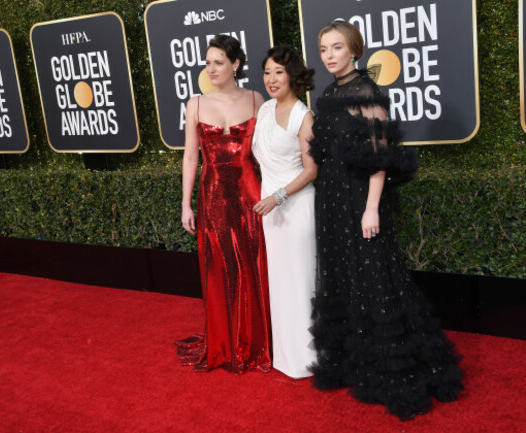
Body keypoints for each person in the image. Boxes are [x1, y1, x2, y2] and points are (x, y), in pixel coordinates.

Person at [308, 21, 463, 419]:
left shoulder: (367, 92)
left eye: (336, 47)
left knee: (376, 279)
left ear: (354, 50)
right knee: (344, 277)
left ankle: (397, 368)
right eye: (324, 48)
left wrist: (372, 207)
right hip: (330, 201)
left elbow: (381, 156)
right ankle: (357, 363)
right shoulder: (327, 94)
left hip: (361, 199)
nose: (329, 55)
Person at [176, 34, 271, 373]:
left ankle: (257, 340)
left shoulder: (258, 99)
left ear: (236, 64)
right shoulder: (196, 104)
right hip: (213, 196)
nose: (210, 68)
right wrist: (186, 204)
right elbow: (190, 157)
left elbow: (268, 152)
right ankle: (225, 341)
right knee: (220, 270)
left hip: (251, 195)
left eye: (218, 62)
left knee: (254, 266)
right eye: (207, 62)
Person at [252, 46, 318, 379]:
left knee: (300, 281)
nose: (271, 79)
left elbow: (311, 170)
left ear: (293, 74)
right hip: (271, 212)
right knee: (280, 283)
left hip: (295, 208)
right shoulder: (264, 110)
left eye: (278, 71)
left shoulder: (303, 115)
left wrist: (278, 197)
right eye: (267, 72)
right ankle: (286, 355)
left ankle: (309, 358)